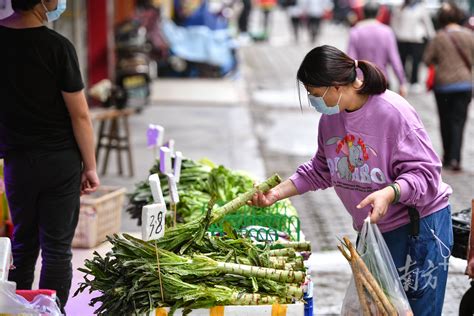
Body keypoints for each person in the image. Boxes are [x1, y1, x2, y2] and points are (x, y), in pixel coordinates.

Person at [250, 45, 453, 315]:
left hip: (419, 229)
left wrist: (390, 192)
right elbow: (321, 170)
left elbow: (426, 175)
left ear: (336, 87)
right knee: (377, 310)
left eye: (315, 94)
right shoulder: (330, 120)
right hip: (374, 232)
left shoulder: (394, 113)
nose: (314, 101)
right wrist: (275, 193)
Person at [0, 0, 100, 312]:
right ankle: (49, 312)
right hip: (60, 161)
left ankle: (13, 308)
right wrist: (91, 167)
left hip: (17, 161)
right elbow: (80, 116)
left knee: (23, 245)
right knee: (56, 249)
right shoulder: (58, 47)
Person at [422, 2, 473, 172]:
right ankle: (455, 158)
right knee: (459, 121)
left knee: (445, 120)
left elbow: (427, 59)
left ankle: (446, 154)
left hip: (443, 86)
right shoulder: (469, 36)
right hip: (465, 85)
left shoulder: (438, 37)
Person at [347, 2, 407, 96]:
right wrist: (402, 82)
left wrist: (348, 83)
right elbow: (394, 59)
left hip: (361, 82)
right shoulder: (387, 32)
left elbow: (350, 59)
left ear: (362, 13)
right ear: (379, 13)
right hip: (382, 80)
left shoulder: (355, 31)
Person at [391, 0, 435, 93]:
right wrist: (394, 35)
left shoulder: (421, 8)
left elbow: (427, 23)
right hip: (402, 38)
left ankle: (414, 81)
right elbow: (394, 22)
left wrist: (432, 37)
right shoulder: (400, 8)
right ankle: (403, 80)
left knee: (416, 61)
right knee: (402, 60)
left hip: (416, 39)